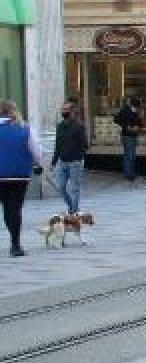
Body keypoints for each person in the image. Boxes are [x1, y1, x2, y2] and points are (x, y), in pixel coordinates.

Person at [0, 100, 44, 257]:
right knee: (15, 208)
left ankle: (13, 239)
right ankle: (15, 244)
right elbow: (37, 151)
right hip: (20, 175)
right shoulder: (25, 128)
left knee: (7, 207)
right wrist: (37, 163)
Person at [51, 99, 88, 214]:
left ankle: (74, 211)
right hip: (62, 162)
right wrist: (53, 162)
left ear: (72, 111)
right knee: (60, 187)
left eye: (66, 109)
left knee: (74, 188)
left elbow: (84, 144)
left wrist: (78, 158)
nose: (64, 111)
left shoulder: (79, 126)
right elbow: (57, 144)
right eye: (63, 109)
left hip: (75, 162)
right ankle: (72, 206)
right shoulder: (60, 126)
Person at [113, 98, 143, 181]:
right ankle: (129, 174)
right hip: (127, 136)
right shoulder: (125, 110)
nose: (137, 109)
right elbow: (116, 119)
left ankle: (129, 173)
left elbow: (139, 122)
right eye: (137, 107)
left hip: (132, 135)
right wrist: (126, 126)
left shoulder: (135, 112)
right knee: (130, 155)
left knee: (129, 155)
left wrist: (138, 127)